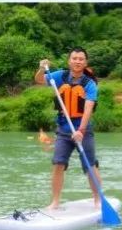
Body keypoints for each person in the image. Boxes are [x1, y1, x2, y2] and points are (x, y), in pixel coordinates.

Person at [34, 47, 104, 210]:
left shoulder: (90, 84)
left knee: (90, 166)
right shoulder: (60, 76)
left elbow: (88, 108)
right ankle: (55, 202)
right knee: (58, 164)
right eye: (74, 58)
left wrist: (81, 130)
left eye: (81, 59)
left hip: (83, 132)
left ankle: (98, 200)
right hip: (64, 130)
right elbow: (39, 80)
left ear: (85, 62)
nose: (77, 61)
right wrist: (40, 68)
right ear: (69, 61)